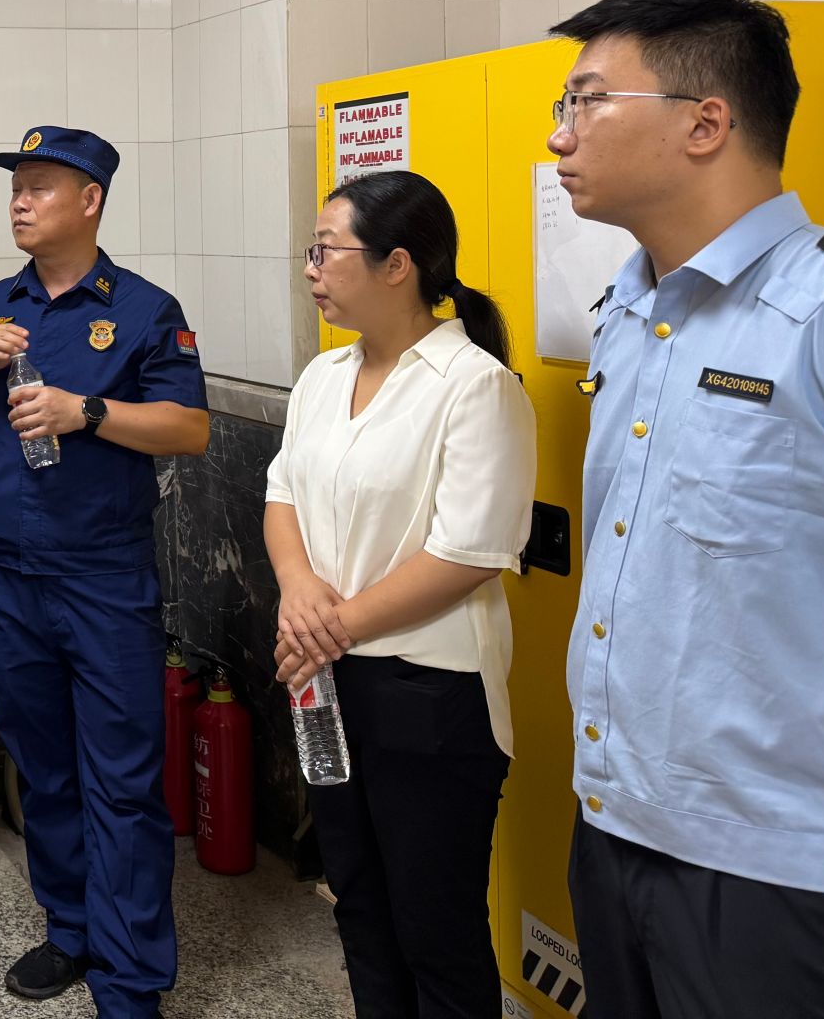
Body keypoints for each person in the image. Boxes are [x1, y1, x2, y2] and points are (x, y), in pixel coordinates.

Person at [546, 0, 824, 1017]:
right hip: (615, 826)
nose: (559, 135)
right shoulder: (628, 312)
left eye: (588, 101)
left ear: (705, 122)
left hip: (789, 873)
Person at [0, 126, 211, 1019]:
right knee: (44, 770)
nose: (20, 200)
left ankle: (130, 979)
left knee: (121, 781)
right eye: (16, 186)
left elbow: (190, 429)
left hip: (102, 579)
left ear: (90, 201)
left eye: (41, 185)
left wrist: (86, 410)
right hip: (10, 575)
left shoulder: (145, 309)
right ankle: (72, 931)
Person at [264, 170, 537, 1019]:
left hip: (428, 694)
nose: (311, 268)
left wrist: (327, 627)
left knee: (435, 928)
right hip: (326, 681)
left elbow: (468, 553)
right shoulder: (323, 376)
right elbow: (282, 495)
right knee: (360, 907)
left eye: (327, 251)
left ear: (397, 266)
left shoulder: (474, 385)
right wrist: (297, 587)